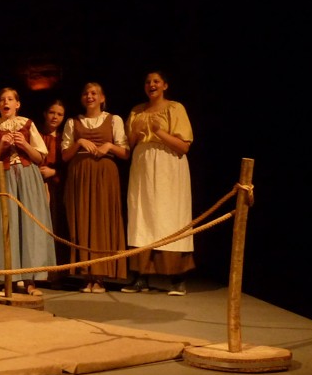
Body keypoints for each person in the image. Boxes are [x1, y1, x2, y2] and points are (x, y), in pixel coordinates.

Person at [122, 70, 195, 296]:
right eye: (147, 82)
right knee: (141, 217)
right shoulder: (137, 111)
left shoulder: (175, 108)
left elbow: (184, 146)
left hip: (168, 166)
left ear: (165, 85)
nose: (151, 85)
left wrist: (159, 132)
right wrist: (135, 133)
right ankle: (140, 276)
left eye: (156, 81)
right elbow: (128, 146)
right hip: (142, 166)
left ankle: (177, 278)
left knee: (170, 217)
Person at [0, 87, 55, 295]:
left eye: (10, 99)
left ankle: (30, 281)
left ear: (17, 104)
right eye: (2, 99)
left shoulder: (27, 124)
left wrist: (24, 144)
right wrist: (1, 146)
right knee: (8, 226)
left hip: (27, 177)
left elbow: (40, 157)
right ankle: (10, 280)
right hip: (4, 177)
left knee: (30, 225)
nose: (6, 102)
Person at [61, 83, 129, 293]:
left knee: (102, 222)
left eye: (94, 93)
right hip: (80, 175)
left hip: (104, 175)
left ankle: (99, 277)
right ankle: (86, 276)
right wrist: (79, 142)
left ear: (102, 98)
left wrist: (109, 146)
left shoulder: (114, 119)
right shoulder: (73, 122)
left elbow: (125, 152)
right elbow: (64, 155)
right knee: (82, 221)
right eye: (85, 93)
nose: (89, 96)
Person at [38, 98, 68, 288]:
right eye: (52, 112)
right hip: (37, 186)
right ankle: (37, 273)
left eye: (59, 114)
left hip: (57, 188)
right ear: (45, 114)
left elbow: (69, 165)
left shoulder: (64, 138)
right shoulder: (36, 135)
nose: (55, 117)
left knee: (56, 228)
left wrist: (54, 172)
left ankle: (56, 275)